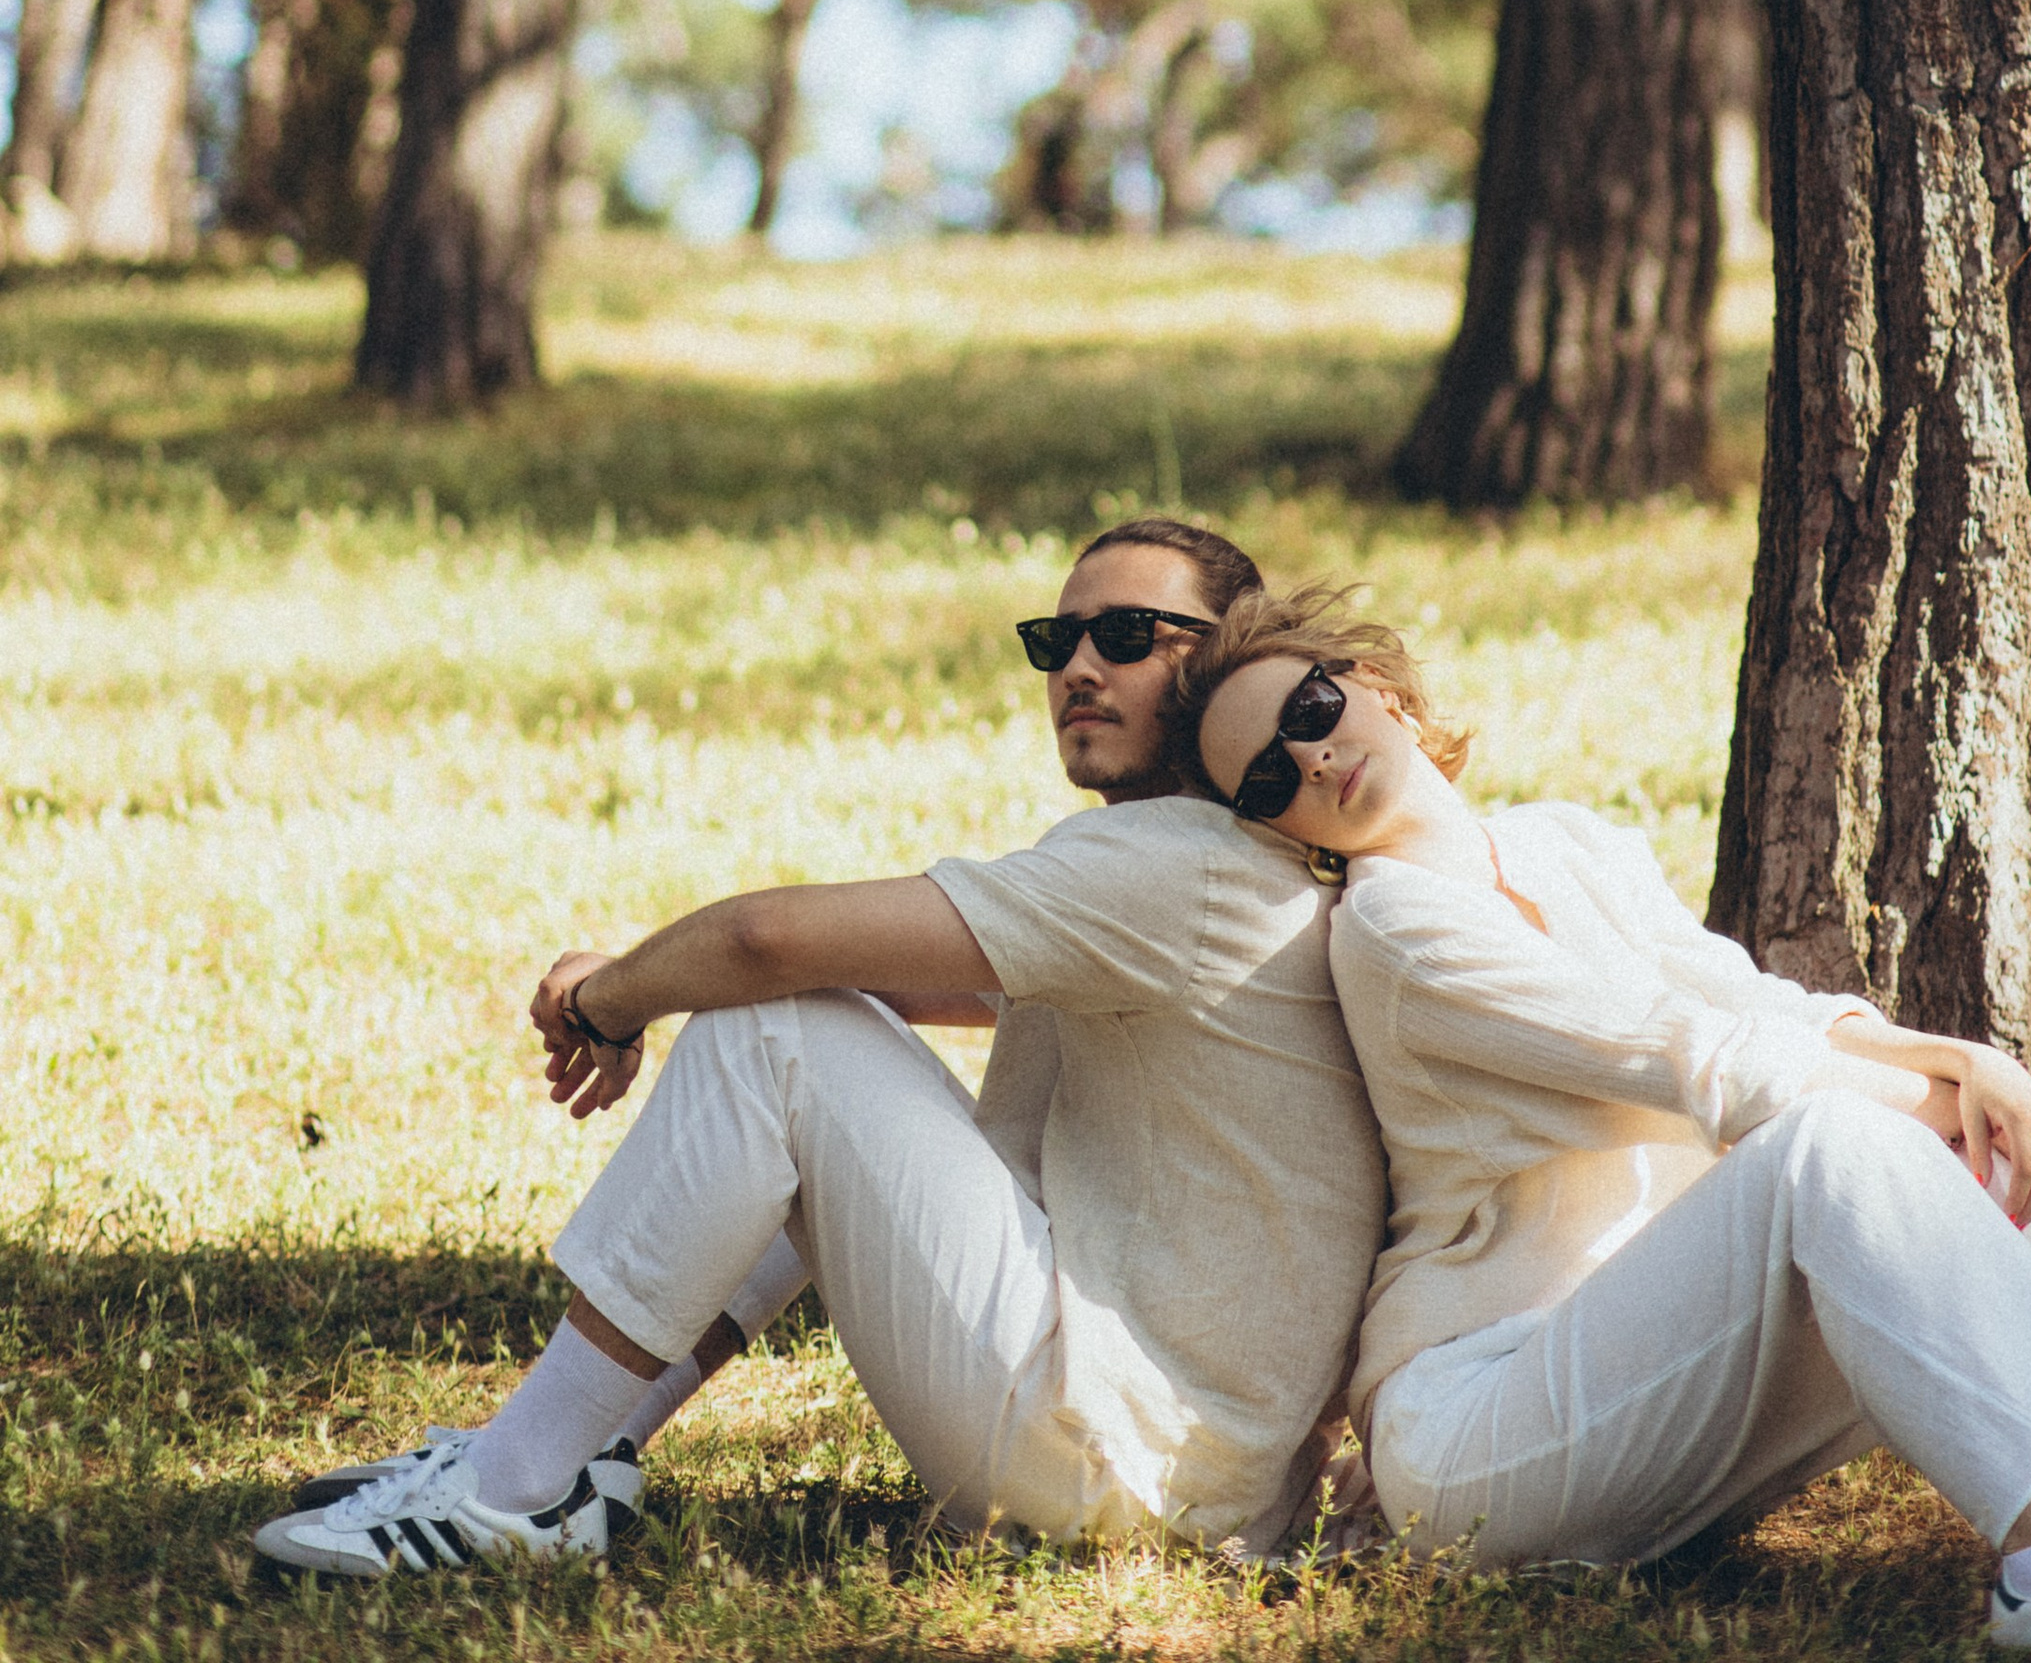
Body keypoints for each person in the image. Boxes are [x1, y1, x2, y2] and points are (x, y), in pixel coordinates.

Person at [1177, 589, 2031, 1657]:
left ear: (1380, 689)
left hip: (1665, 1377)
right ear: (1281, 828)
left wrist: (1976, 1067)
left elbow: (1758, 1007)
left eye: (1311, 711)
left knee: (1909, 1156)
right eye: (1272, 778)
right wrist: (1961, 1108)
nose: (1314, 759)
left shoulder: (1562, 842)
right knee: (1838, 1143)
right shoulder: (1393, 930)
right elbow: (1690, 1062)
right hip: (1486, 1436)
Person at [254, 517, 1385, 1582]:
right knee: (816, 1026)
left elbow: (764, 940)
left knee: (776, 1026)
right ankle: (573, 1455)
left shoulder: (1169, 867)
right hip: (1191, 1467)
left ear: (1224, 660)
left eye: (1129, 636)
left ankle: (509, 1491)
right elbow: (972, 990)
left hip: (1120, 1468)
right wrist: (658, 972)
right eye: (1058, 640)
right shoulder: (1228, 862)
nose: (1081, 667)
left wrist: (613, 994)